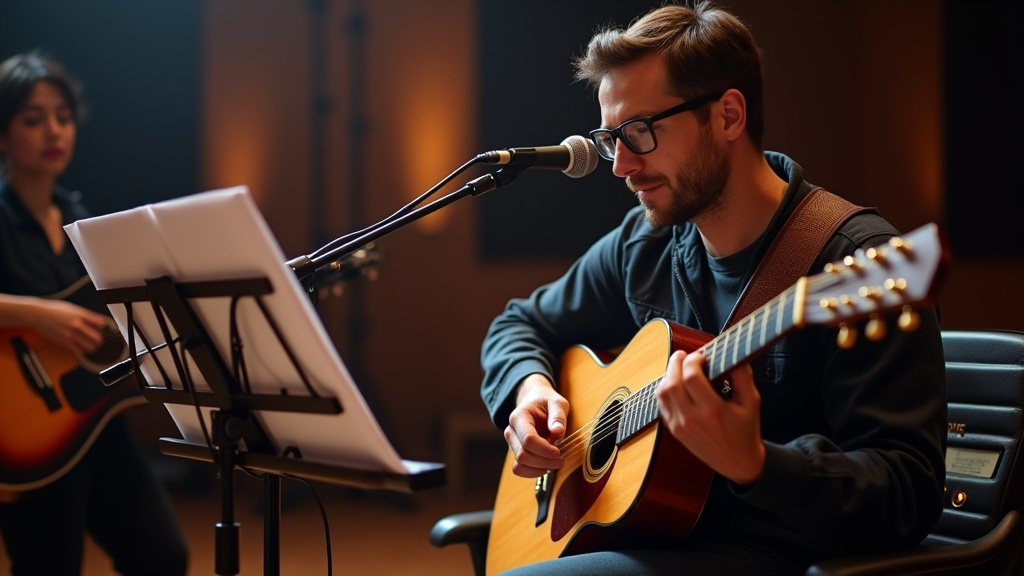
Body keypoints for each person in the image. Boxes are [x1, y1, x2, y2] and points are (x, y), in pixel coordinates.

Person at [480, 2, 947, 574]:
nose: (621, 165)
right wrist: (529, 391)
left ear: (728, 116)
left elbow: (907, 494)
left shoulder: (853, 261)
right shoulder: (644, 245)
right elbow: (518, 323)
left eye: (641, 132)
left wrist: (757, 464)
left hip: (776, 553)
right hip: (656, 535)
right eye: (610, 139)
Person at [0, 52, 189, 576]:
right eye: (33, 119)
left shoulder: (84, 222)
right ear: (3, 134)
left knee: (162, 557)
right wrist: (41, 314)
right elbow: (56, 320)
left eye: (63, 117)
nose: (53, 131)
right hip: (25, 431)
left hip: (96, 425)